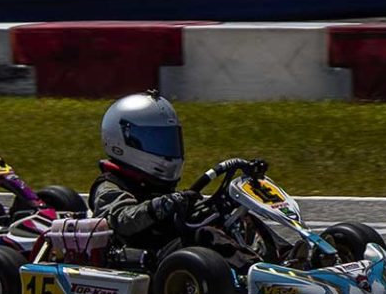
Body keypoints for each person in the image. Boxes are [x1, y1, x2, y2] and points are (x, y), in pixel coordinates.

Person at [88, 90, 263, 269]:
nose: (166, 148)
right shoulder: (109, 185)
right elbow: (123, 221)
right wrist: (162, 205)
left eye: (169, 140)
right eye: (156, 141)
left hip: (173, 250)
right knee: (205, 234)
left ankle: (285, 256)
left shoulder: (152, 183)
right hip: (143, 257)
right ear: (122, 141)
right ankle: (256, 272)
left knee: (237, 216)